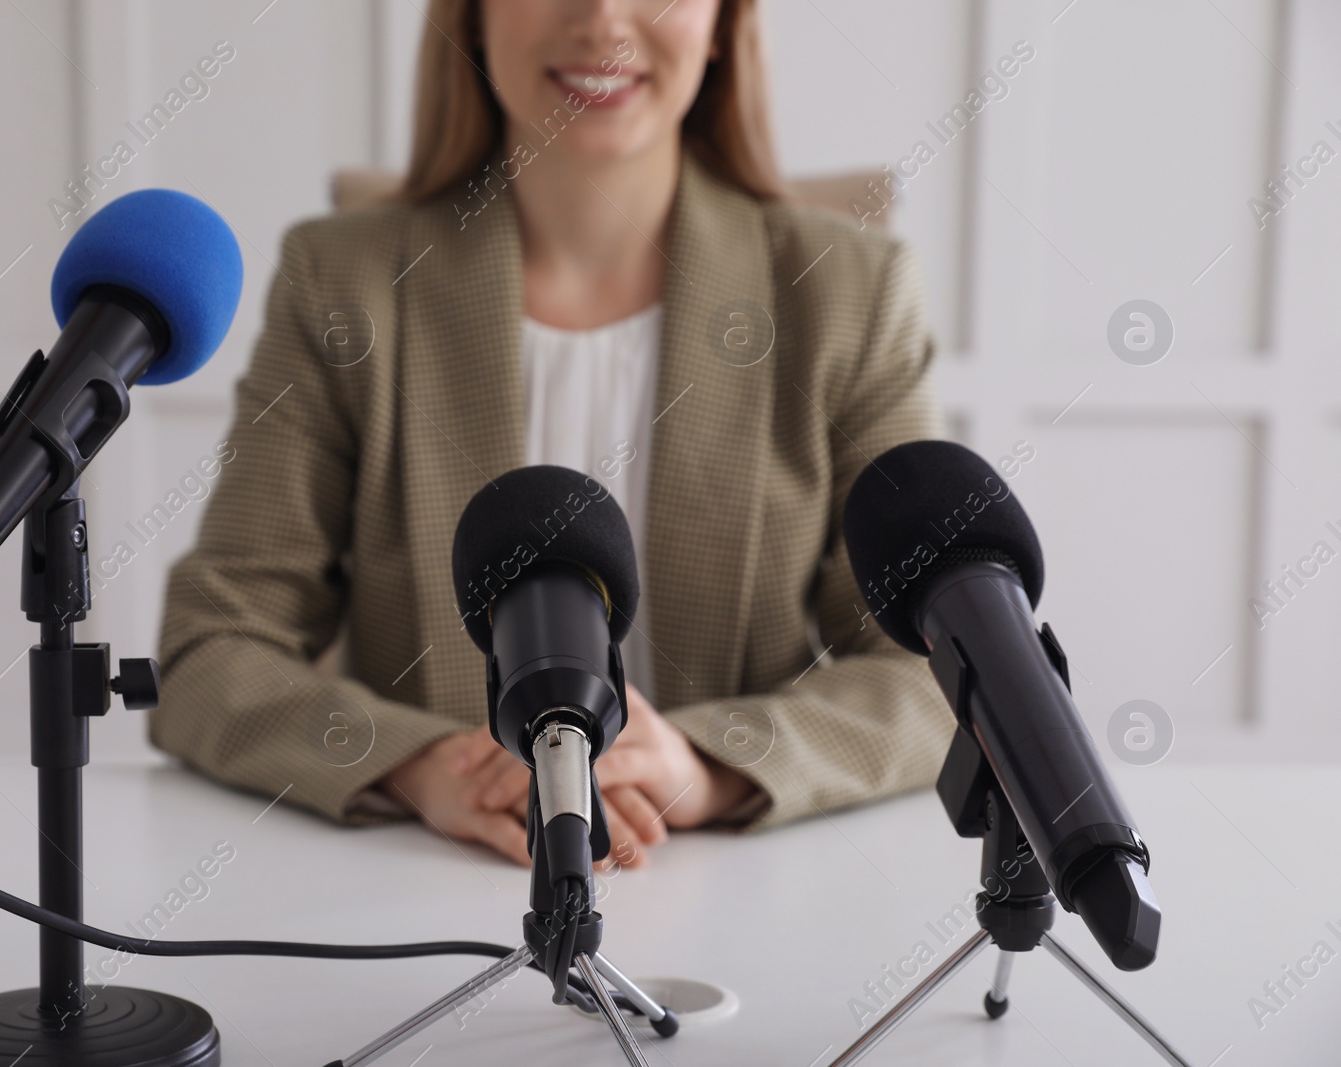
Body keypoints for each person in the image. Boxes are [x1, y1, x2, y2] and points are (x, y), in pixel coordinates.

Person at [151, 0, 954, 870]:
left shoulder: (848, 293)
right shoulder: (342, 284)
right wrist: (425, 765)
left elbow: (936, 666)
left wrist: (707, 763)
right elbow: (212, 649)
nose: (604, 20)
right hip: (430, 878)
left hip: (734, 886)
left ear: (723, 21)